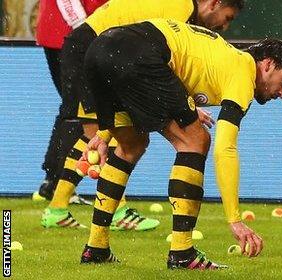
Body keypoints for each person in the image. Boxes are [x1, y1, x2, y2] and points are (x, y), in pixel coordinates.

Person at [79, 18, 282, 269]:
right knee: (196, 141)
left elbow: (172, 73)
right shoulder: (244, 70)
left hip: (100, 49)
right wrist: (234, 219)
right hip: (138, 52)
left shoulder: (218, 57)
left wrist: (105, 134)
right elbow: (225, 149)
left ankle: (96, 248)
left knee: (132, 144)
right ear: (268, 64)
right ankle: (182, 253)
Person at [40, 0, 243, 230]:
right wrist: (187, 107)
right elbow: (159, 61)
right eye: (228, 18)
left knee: (98, 134)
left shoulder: (180, 6)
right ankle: (113, 211)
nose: (224, 27)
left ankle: (57, 208)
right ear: (214, 3)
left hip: (93, 48)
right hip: (92, 48)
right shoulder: (182, 9)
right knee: (110, 133)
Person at [35, 0, 108, 203]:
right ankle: (56, 183)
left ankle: (53, 180)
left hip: (69, 33)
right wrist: (83, 28)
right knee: (79, 110)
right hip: (71, 34)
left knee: (75, 108)